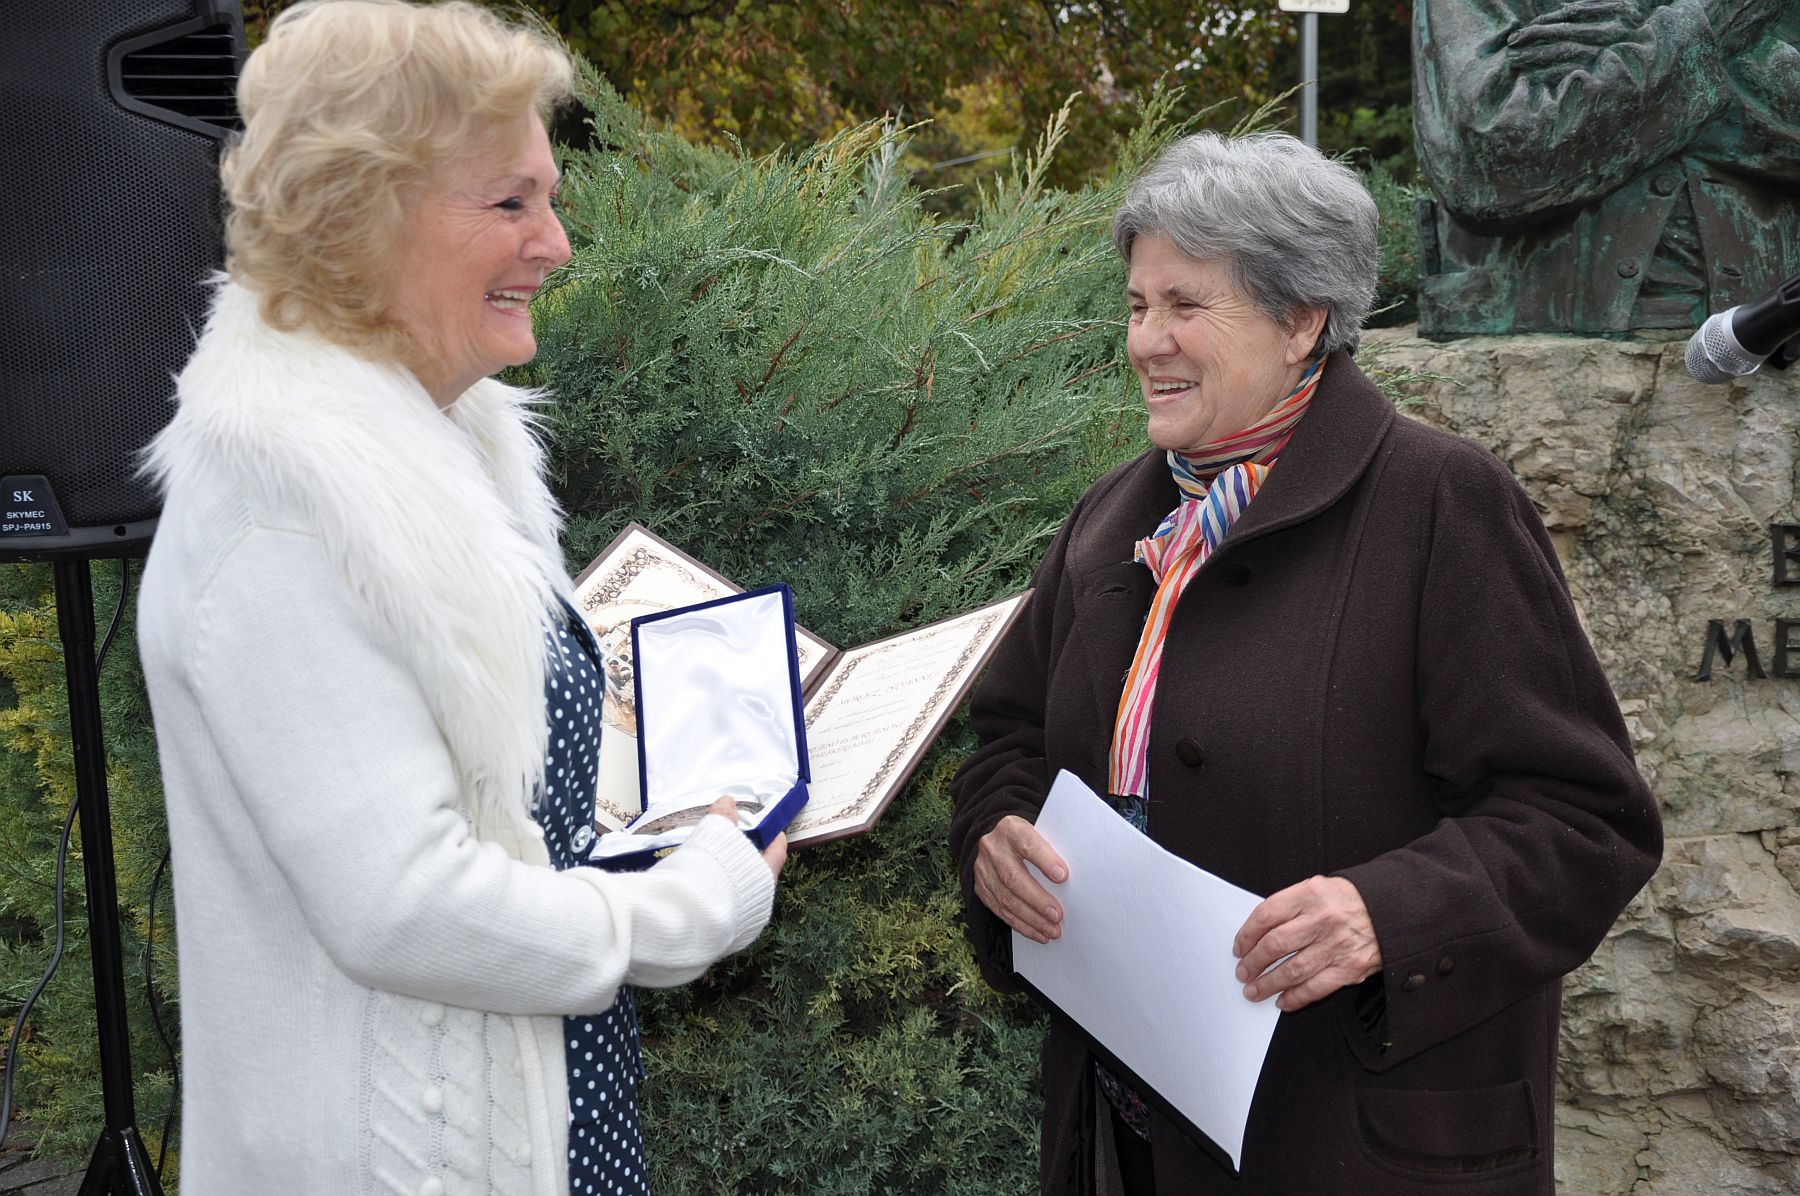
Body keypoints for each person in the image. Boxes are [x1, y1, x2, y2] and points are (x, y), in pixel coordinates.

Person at [137, 4, 782, 1193]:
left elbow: (500, 793)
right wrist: (701, 895)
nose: (557, 242)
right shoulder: (287, 505)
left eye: (549, 197)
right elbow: (403, 901)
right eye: (510, 202)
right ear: (361, 215)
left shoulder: (436, 447)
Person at [948, 131, 1663, 1194]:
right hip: (1122, 1142)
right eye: (1138, 303)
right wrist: (995, 838)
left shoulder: (1443, 504)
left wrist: (1389, 911)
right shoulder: (1110, 516)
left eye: (1186, 305)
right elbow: (1005, 737)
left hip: (1359, 1148)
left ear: (1302, 320)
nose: (1147, 339)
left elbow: (1585, 819)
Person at [1414, 0, 1800, 337]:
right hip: (1542, 333)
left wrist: (1625, 62)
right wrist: (1709, 27)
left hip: (1771, 330)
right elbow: (1488, 166)